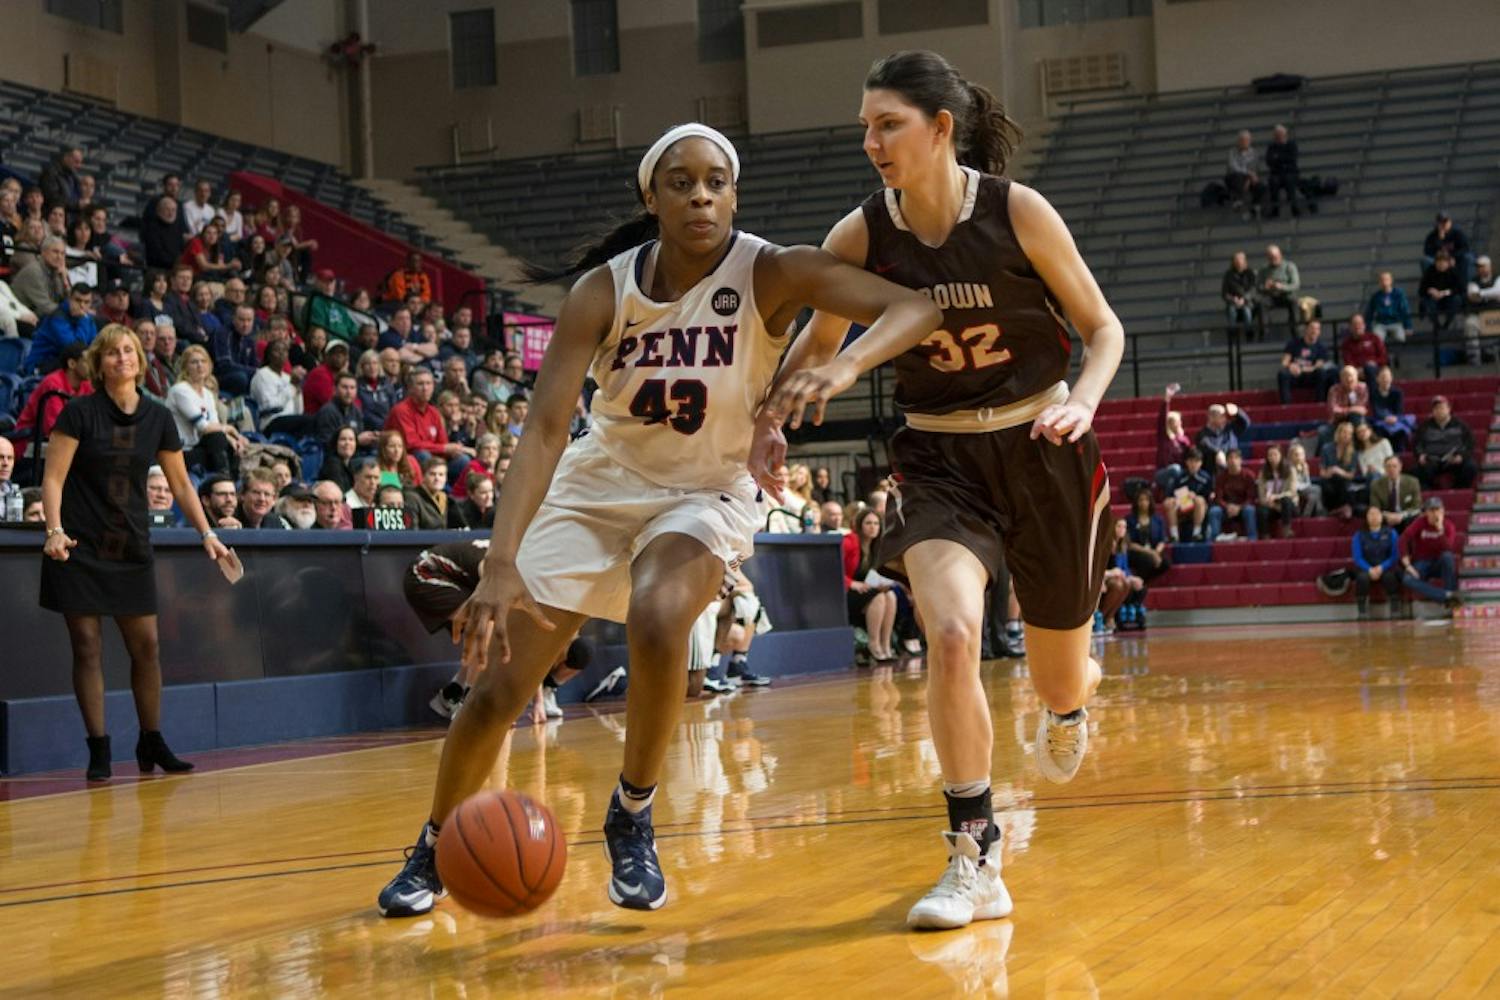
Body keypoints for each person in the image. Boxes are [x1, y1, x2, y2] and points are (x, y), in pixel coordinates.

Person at [375, 120, 941, 921]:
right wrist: (500, 563)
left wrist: (838, 365)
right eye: (681, 182)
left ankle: (632, 813)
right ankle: (435, 844)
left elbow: (914, 307)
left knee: (661, 614)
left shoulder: (771, 270)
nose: (701, 194)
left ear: (734, 192)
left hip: (704, 490)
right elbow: (542, 430)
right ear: (652, 196)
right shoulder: (603, 291)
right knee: (501, 688)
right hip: (598, 484)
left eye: (717, 180)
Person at [749, 52, 1121, 930]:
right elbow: (815, 343)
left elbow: (1102, 329)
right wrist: (770, 417)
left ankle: (1069, 703)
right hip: (940, 461)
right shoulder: (859, 234)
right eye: (866, 128)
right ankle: (975, 856)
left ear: (941, 128)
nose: (872, 143)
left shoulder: (1016, 211)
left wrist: (1084, 400)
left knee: (1058, 674)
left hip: (1042, 444)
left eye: (889, 125)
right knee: (951, 633)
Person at [40, 324, 232, 781]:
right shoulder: (77, 413)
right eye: (111, 353)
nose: (121, 358)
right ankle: (99, 748)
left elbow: (182, 484)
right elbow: (53, 479)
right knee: (86, 646)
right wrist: (53, 529)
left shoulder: (159, 417)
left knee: (147, 647)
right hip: (79, 545)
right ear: (98, 363)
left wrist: (207, 533)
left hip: (130, 544)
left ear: (140, 361)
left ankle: (151, 739)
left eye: (129, 351)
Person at [167, 345, 243, 478]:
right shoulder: (180, 390)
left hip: (200, 447)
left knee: (232, 446)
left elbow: (214, 425)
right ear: (185, 367)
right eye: (194, 362)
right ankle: (224, 478)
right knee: (218, 438)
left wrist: (233, 440)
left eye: (203, 361)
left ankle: (232, 483)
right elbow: (204, 427)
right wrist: (231, 429)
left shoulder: (207, 394)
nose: (199, 366)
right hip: (181, 452)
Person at [14, 341, 95, 448]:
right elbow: (54, 428)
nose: (92, 366)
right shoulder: (52, 384)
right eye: (87, 362)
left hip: (67, 442)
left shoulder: (87, 384)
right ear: (72, 364)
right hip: (30, 444)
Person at [843, 508, 899, 662]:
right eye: (868, 523)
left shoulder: (878, 546)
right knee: (879, 598)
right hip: (847, 592)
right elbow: (832, 568)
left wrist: (882, 583)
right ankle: (873, 644)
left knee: (891, 596)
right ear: (860, 525)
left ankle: (885, 644)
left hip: (867, 590)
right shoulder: (849, 541)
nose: (873, 527)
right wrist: (851, 583)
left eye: (876, 523)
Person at [1398, 498, 1462, 613]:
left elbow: (1448, 548)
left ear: (1442, 511)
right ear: (1426, 512)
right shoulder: (1420, 522)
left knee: (1447, 557)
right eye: (1431, 510)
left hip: (1439, 564)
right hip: (1422, 563)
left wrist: (1440, 530)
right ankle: (1447, 596)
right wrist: (1407, 564)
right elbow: (1403, 538)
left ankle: (1449, 602)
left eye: (1437, 510)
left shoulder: (1448, 526)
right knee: (1407, 579)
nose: (1434, 513)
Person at [1411, 395, 1476, 489]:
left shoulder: (1460, 425)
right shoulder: (1424, 426)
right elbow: (1417, 444)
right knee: (1416, 471)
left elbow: (1469, 443)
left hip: (1453, 460)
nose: (1439, 411)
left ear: (1449, 409)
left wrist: (1461, 456)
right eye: (1436, 408)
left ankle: (1458, 491)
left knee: (1470, 467)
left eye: (1442, 408)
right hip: (1432, 460)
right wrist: (1420, 455)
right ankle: (1430, 493)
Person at [1350, 505, 1402, 620]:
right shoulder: (1358, 535)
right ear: (1366, 517)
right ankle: (1362, 610)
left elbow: (1394, 555)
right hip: (1366, 567)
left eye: (1376, 514)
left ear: (1381, 516)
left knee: (1390, 577)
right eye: (1371, 514)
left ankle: (1395, 607)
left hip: (1385, 566)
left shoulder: (1391, 533)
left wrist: (1381, 567)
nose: (1374, 517)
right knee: (1362, 578)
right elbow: (1357, 558)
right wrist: (1370, 569)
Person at [1276, 319, 1334, 404]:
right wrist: (1290, 366)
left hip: (1311, 377)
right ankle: (1286, 406)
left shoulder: (1321, 347)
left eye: (1317, 329)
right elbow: (1284, 362)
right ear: (1306, 329)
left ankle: (1320, 403)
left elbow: (1318, 366)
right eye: (1312, 328)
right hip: (1295, 376)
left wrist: (1301, 369)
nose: (1314, 331)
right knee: (1282, 374)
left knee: (1321, 373)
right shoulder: (1293, 343)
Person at [1165, 450, 1216, 542]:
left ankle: (1196, 533)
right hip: (1183, 504)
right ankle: (1174, 535)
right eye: (1191, 461)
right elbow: (1171, 494)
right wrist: (1181, 497)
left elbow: (1210, 496)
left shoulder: (1206, 478)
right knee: (1168, 503)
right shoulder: (1180, 477)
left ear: (1201, 463)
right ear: (1187, 462)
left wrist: (1195, 496)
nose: (1193, 464)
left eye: (1196, 461)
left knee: (1199, 500)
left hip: (1200, 506)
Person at [1319, 420, 1365, 520]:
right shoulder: (1326, 448)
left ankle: (1340, 509)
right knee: (1326, 484)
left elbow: (1351, 475)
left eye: (1349, 433)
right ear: (1338, 433)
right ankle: (1338, 509)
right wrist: (1329, 473)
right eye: (1344, 432)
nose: (1346, 435)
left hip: (1344, 481)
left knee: (1343, 483)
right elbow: (1322, 473)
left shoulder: (1353, 452)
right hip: (1329, 480)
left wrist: (1338, 471)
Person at [404, 457, 466, 529]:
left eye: (441, 474)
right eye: (432, 474)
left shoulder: (445, 498)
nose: (437, 478)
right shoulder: (412, 497)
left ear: (446, 478)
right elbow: (412, 531)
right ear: (423, 477)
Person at [1123, 489, 1169, 581]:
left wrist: (1156, 552)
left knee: (1166, 563)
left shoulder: (1158, 520)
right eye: (1141, 500)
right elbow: (1130, 544)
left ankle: (1145, 580)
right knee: (1146, 560)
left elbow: (1162, 540)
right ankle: (1141, 582)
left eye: (1146, 500)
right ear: (1136, 502)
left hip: (1153, 550)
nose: (1144, 503)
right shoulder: (1129, 520)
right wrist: (1151, 553)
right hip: (1137, 551)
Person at [1211, 448, 1257, 541]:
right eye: (1230, 458)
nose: (1233, 461)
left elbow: (1251, 498)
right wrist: (1227, 506)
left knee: (1250, 510)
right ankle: (1215, 538)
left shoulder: (1249, 476)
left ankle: (1252, 538)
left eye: (1236, 458)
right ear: (1226, 461)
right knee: (1214, 511)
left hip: (1243, 507)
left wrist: (1239, 507)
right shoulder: (1221, 477)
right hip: (1226, 508)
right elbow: (1218, 498)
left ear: (1241, 460)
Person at [1257, 244, 1300, 339]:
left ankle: (1295, 330)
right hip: (1271, 296)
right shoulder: (1263, 269)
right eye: (1271, 258)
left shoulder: (1289, 266)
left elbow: (1295, 284)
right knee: (1261, 303)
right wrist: (1265, 287)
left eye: (1275, 257)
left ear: (1280, 255)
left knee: (1294, 301)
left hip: (1286, 295)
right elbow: (1258, 287)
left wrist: (1282, 286)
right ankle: (1263, 332)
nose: (1273, 259)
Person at [1369, 453, 1420, 532]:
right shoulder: (1376, 485)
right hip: (1386, 519)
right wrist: (1387, 515)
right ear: (1384, 469)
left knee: (1416, 517)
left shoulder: (1412, 482)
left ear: (1400, 467)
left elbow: (1416, 507)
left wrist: (1401, 515)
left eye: (1394, 466)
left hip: (1405, 518)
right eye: (1388, 466)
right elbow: (1375, 507)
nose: (1391, 469)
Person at [1256, 443, 1298, 539]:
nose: (1272, 458)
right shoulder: (1263, 473)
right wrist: (1272, 504)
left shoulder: (1290, 470)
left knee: (1286, 500)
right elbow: (1261, 496)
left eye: (1275, 454)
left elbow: (1292, 492)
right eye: (1270, 455)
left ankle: (1286, 531)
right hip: (1271, 506)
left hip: (1288, 506)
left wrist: (1277, 497)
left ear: (1281, 456)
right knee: (1261, 510)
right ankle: (1265, 536)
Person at [1463, 254, 1499, 365]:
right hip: (1479, 315)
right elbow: (1473, 296)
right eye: (1479, 267)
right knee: (1469, 323)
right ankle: (1474, 360)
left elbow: (1498, 293)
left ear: (1490, 267)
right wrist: (1491, 293)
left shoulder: (1498, 278)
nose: (1481, 269)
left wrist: (1482, 293)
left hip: (1496, 314)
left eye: (1483, 266)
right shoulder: (1472, 282)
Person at [1422, 211, 1472, 287]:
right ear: (1437, 223)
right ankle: (1430, 287)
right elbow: (1427, 251)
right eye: (1441, 222)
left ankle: (1465, 287)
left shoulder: (1457, 233)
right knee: (1425, 260)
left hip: (1455, 258)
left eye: (1445, 221)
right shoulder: (1432, 236)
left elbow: (1465, 248)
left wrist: (1453, 257)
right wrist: (1439, 240)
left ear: (1450, 222)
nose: (1443, 224)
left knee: (1467, 258)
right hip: (1438, 260)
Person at [1261, 125, 1302, 218]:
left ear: (1285, 134)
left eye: (1280, 135)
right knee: (1273, 181)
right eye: (1277, 135)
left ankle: (1294, 207)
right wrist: (1282, 160)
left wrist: (1278, 158)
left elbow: (1292, 159)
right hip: (1276, 173)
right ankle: (1275, 209)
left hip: (1290, 172)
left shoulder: (1292, 145)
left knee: (1289, 180)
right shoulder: (1271, 147)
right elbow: (1269, 161)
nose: (1278, 137)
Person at [1195, 401, 1250, 468]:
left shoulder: (1230, 428)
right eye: (1222, 416)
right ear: (1211, 418)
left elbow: (1245, 423)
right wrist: (1218, 452)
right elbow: (1207, 447)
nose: (1225, 418)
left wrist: (1237, 411)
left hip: (1233, 468)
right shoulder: (1202, 435)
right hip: (1214, 470)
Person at [1368, 365, 1411, 451]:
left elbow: (1399, 410)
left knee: (1400, 431)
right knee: (1378, 430)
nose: (1385, 379)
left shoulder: (1397, 392)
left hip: (1394, 419)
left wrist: (1394, 418)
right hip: (1380, 420)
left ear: (1391, 378)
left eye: (1388, 376)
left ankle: (1398, 456)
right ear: (1377, 379)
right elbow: (1375, 409)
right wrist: (1385, 418)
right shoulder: (1373, 393)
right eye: (1383, 377)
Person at [1419, 252, 1462, 334]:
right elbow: (1421, 290)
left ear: (1448, 263)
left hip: (1449, 299)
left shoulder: (1453, 272)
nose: (1441, 264)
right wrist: (1430, 291)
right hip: (1434, 300)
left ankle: (1447, 324)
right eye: (1439, 262)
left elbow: (1460, 288)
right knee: (1427, 303)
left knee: (1457, 300)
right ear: (1435, 262)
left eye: (1444, 262)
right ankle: (1437, 325)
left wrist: (1445, 292)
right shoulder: (1430, 271)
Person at [1364, 271, 1412, 344]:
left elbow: (1405, 309)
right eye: (1382, 280)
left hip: (1396, 322)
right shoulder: (1376, 296)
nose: (1384, 282)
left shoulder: (1399, 294)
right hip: (1381, 323)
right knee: (1376, 341)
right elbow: (1369, 313)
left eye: (1386, 279)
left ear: (1391, 280)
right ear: (1379, 282)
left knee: (1401, 339)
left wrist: (1408, 326)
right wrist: (1368, 329)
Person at [1338, 314, 1386, 386]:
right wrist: (1357, 370)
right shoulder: (1346, 344)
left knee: (1369, 369)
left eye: (1360, 324)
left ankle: (1373, 396)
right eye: (1355, 324)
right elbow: (1348, 361)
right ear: (1350, 327)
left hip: (1375, 369)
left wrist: (1374, 363)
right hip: (1356, 371)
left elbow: (1384, 357)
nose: (1357, 327)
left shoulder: (1374, 338)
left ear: (1364, 325)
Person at [1221, 251, 1257, 338]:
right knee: (1232, 311)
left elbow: (1253, 289)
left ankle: (1249, 333)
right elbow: (1224, 293)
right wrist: (1233, 299)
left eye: (1241, 260)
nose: (1239, 262)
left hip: (1248, 302)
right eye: (1237, 260)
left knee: (1247, 311)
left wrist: (1244, 299)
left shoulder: (1250, 273)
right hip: (1233, 302)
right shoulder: (1228, 275)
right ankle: (1232, 335)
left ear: (1244, 261)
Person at [1224, 132, 1261, 214]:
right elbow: (1233, 167)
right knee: (1238, 177)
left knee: (1260, 186)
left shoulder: (1254, 153)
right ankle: (1238, 201)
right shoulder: (1232, 152)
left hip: (1249, 178)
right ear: (1238, 141)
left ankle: (1256, 207)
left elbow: (1254, 167)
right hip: (1234, 177)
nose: (1245, 142)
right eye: (1242, 140)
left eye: (1247, 140)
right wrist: (1248, 173)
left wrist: (1248, 179)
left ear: (1250, 141)